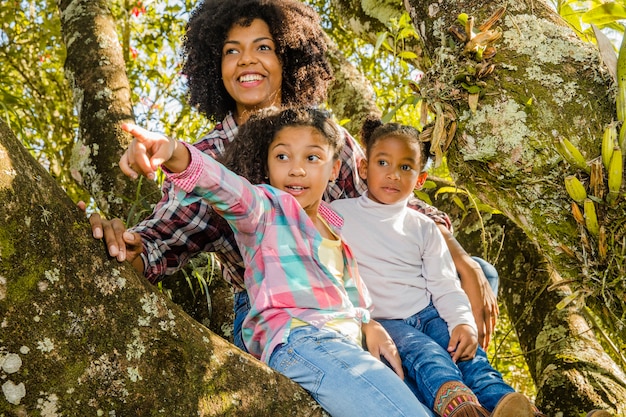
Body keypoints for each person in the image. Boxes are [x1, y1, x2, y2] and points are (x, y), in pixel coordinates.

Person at [84, 0, 498, 352]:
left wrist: (457, 254)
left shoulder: (326, 138)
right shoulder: (209, 154)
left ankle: (459, 385)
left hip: (356, 292)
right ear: (217, 67)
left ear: (288, 56)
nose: (247, 59)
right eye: (232, 51)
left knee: (478, 271)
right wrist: (127, 244)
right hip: (277, 307)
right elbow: (161, 239)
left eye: (263, 47)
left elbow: (393, 207)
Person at [118, 107, 433, 417]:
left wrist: (368, 323)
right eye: (283, 156)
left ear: (334, 168)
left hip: (344, 346)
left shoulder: (336, 225)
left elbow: (351, 290)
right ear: (268, 166)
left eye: (312, 158)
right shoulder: (266, 208)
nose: (296, 169)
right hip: (299, 338)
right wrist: (173, 151)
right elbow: (224, 187)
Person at [331, 117, 543, 417]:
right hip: (386, 320)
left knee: (473, 361)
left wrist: (462, 323)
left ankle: (518, 409)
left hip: (429, 313)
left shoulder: (423, 227)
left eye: (406, 167)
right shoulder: (339, 215)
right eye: (383, 163)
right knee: (428, 358)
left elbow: (444, 283)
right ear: (364, 168)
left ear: (420, 179)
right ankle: (465, 412)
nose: (393, 175)